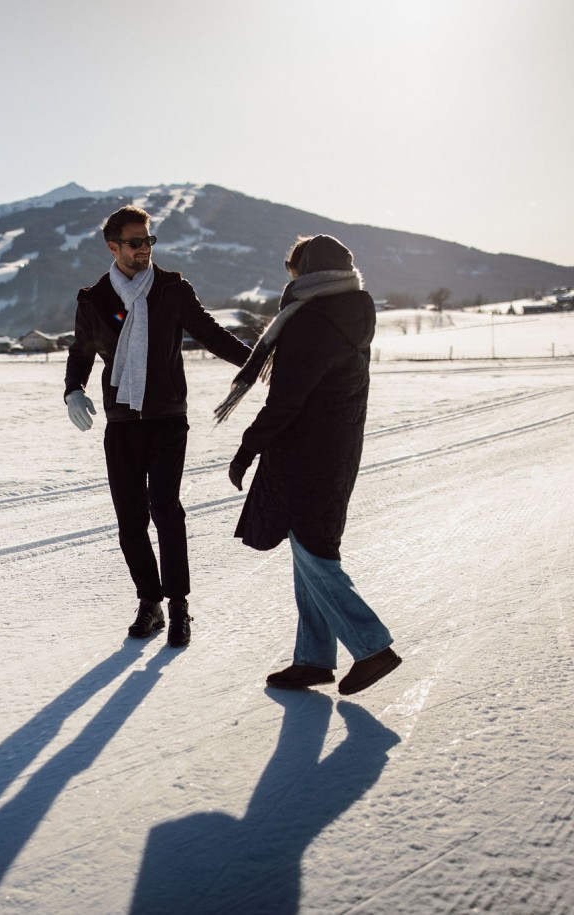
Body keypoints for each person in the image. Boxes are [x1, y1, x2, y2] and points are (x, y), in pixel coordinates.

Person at [215, 233, 401, 695]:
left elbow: (287, 399)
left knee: (315, 552)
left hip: (307, 452)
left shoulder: (311, 321)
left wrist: (248, 445)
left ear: (309, 271)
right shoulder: (349, 310)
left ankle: (372, 647)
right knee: (307, 548)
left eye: (292, 269)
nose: (289, 278)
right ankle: (314, 659)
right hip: (335, 446)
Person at [64, 205, 252, 647]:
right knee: (130, 520)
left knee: (167, 511)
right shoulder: (95, 300)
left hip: (168, 418)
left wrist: (258, 362)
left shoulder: (171, 289)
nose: (145, 248)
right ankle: (149, 603)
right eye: (135, 242)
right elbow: (81, 351)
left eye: (149, 240)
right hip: (122, 423)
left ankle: (179, 605)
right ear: (114, 247)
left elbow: (211, 334)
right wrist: (73, 388)